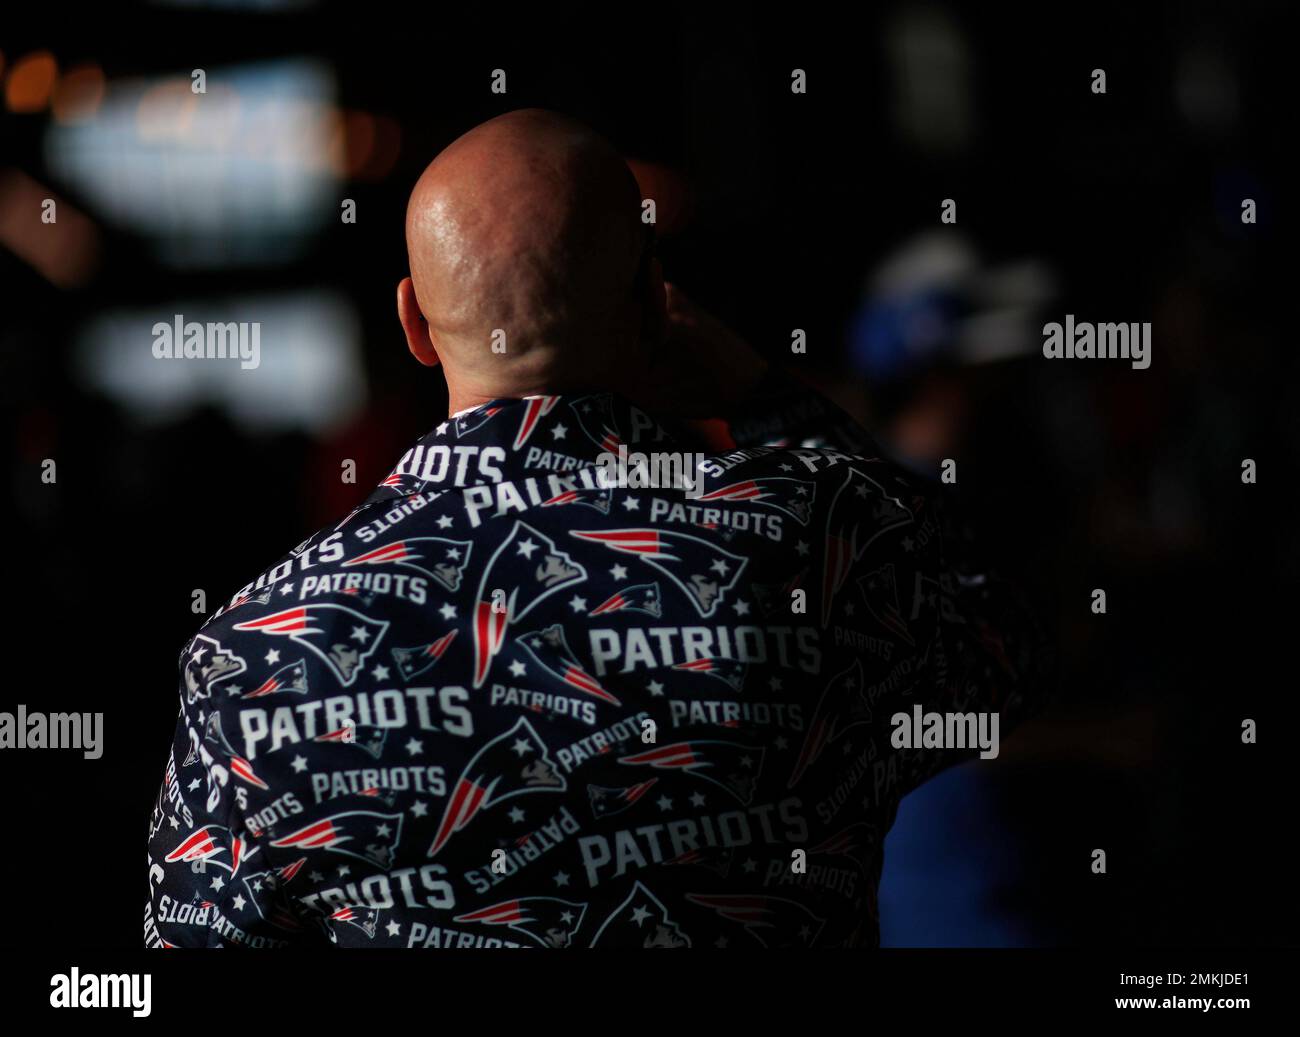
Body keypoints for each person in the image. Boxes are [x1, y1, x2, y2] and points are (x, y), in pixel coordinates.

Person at [145, 109, 1047, 949]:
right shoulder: (815, 540)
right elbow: (994, 642)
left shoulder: (254, 653)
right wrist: (769, 399)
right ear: (660, 307)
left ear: (415, 323)